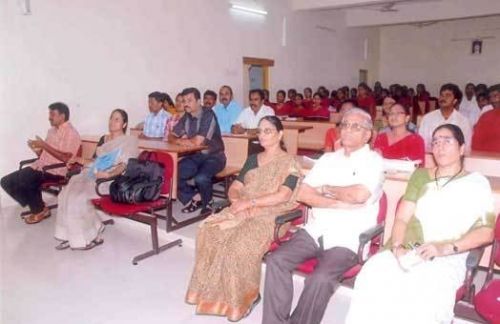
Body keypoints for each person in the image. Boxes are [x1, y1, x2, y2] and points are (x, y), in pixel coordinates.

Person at [346, 124, 495, 324]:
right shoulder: (420, 176)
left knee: (421, 295)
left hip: (447, 255)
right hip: (409, 248)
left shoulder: (477, 184)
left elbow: (486, 233)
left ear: (461, 149)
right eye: (435, 142)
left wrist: (443, 248)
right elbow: (401, 219)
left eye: (446, 140)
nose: (439, 146)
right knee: (373, 275)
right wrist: (398, 247)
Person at [263, 108, 384, 324]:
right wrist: (337, 201)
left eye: (355, 127)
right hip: (315, 231)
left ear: (368, 135)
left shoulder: (373, 162)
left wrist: (324, 188)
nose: (347, 130)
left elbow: (358, 194)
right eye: (344, 124)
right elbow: (303, 193)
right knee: (276, 260)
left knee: (320, 279)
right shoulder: (328, 159)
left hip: (348, 238)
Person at [186, 116, 301, 322]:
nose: (262, 135)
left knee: (238, 245)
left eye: (268, 131)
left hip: (273, 214)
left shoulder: (289, 162)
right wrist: (236, 200)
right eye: (260, 131)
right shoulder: (252, 159)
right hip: (243, 206)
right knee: (209, 230)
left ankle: (245, 299)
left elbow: (283, 195)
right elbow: (236, 186)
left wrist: (250, 204)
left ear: (280, 134)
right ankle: (211, 293)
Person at [54, 109, 139, 250]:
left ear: (124, 124)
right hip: (92, 174)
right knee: (65, 194)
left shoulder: (129, 141)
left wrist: (108, 175)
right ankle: (70, 236)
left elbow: (124, 165)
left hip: (109, 179)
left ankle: (92, 236)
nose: (112, 121)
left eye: (117, 119)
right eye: (111, 118)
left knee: (79, 197)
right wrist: (78, 159)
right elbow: (94, 161)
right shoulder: (104, 139)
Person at [1, 102, 81, 224]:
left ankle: (38, 210)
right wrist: (38, 150)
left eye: (52, 114)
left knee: (27, 179)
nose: (50, 117)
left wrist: (44, 145)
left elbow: (66, 158)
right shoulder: (51, 131)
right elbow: (46, 155)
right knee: (6, 181)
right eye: (50, 114)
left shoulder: (72, 133)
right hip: (41, 167)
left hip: (57, 171)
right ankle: (40, 207)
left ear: (62, 116)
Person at [169, 87, 226, 215]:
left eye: (189, 100)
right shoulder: (186, 117)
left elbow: (197, 142)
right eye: (183, 101)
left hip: (215, 156)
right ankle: (195, 198)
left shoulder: (208, 114)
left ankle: (209, 203)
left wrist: (182, 140)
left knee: (201, 178)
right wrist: (180, 141)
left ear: (199, 101)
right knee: (173, 173)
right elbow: (171, 136)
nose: (185, 104)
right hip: (196, 156)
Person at [418, 83, 472, 153]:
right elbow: (422, 144)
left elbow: (466, 147)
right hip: (431, 159)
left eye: (448, 95)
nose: (443, 98)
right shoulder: (428, 118)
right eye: (441, 95)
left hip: (454, 161)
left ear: (455, 101)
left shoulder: (463, 121)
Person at [472, 84, 500, 152]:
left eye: (495, 96)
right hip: (488, 158)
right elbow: (476, 143)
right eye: (490, 97)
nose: (493, 100)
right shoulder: (485, 117)